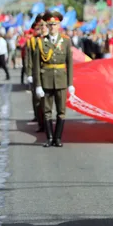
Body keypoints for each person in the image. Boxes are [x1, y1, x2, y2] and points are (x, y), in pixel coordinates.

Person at [33, 11, 75, 147]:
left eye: (54, 24)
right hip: (46, 81)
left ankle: (58, 138)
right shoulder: (40, 42)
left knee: (61, 111)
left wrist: (70, 84)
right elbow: (36, 66)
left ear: (59, 25)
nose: (52, 27)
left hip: (61, 81)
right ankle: (49, 138)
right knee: (47, 111)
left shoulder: (66, 41)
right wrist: (38, 85)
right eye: (50, 24)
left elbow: (69, 63)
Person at [26, 14, 46, 132]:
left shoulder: (50, 39)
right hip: (36, 73)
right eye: (40, 24)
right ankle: (41, 122)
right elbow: (29, 59)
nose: (42, 26)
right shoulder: (32, 41)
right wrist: (29, 74)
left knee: (46, 101)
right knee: (37, 100)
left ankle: (46, 121)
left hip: (48, 74)